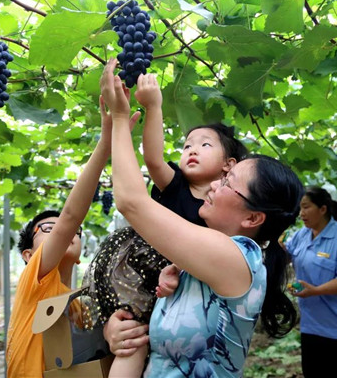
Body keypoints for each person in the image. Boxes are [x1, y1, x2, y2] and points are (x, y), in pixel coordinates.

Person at [99, 58, 303, 377]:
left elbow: (130, 202)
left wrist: (121, 118)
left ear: (253, 218)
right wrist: (121, 331)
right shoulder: (190, 269)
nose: (215, 183)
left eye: (227, 181)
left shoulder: (239, 260)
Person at [82, 73, 248, 375]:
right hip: (136, 273)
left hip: (167, 285)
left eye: (205, 145)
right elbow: (154, 159)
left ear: (229, 165)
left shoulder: (225, 219)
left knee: (139, 340)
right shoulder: (175, 186)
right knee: (133, 338)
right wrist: (153, 106)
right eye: (187, 146)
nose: (191, 150)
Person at [5, 96, 140, 378]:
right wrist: (106, 143)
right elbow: (69, 218)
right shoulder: (35, 284)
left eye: (73, 233)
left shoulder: (79, 305)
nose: (63, 232)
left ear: (80, 260)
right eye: (47, 229)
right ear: (28, 257)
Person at [285, 186, 337, 377]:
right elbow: (286, 255)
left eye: (306, 207)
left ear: (323, 209)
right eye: (300, 208)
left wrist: (315, 290)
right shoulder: (301, 235)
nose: (301, 213)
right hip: (311, 327)